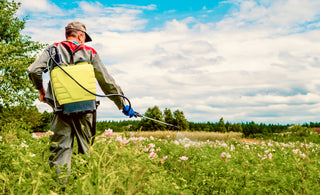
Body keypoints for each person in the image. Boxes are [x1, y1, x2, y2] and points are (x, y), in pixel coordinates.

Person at [27, 21, 135, 177]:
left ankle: (60, 190)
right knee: (85, 151)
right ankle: (83, 187)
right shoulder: (90, 52)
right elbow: (106, 81)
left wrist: (41, 90)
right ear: (80, 35)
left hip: (61, 109)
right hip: (86, 110)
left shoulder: (53, 49)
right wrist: (123, 105)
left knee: (60, 152)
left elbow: (33, 70)